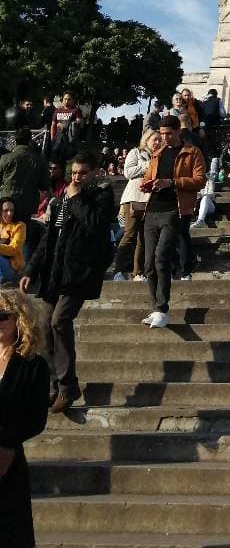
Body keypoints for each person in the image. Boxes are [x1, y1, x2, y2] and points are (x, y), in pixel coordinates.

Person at [20, 153, 114, 413]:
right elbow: (49, 238)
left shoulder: (101, 196)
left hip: (80, 274)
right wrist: (31, 269)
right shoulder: (61, 199)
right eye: (73, 172)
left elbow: (95, 225)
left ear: (95, 172)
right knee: (45, 326)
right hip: (55, 272)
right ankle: (55, 386)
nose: (76, 177)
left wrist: (76, 198)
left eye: (83, 173)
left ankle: (68, 386)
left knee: (59, 320)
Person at [139, 116, 206, 328]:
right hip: (152, 210)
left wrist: (172, 182)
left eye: (169, 133)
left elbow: (200, 180)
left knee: (161, 257)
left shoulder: (192, 152)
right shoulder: (157, 154)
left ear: (178, 132)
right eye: (162, 134)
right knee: (148, 263)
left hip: (174, 210)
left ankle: (162, 308)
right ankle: (155, 307)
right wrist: (147, 185)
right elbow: (147, 177)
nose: (165, 138)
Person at [0, 288, 50, 548]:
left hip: (6, 461)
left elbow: (36, 419)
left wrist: (7, 443)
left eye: (1, 316)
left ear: (19, 320)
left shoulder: (33, 365)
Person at [108, 128, 157, 280]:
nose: (158, 142)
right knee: (129, 234)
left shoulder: (160, 155)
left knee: (143, 238)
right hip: (134, 198)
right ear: (146, 140)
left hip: (150, 200)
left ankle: (138, 272)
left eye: (159, 140)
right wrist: (148, 165)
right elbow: (128, 172)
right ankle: (117, 270)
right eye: (155, 139)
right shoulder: (136, 153)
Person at [0, 129, 49, 225]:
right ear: (30, 141)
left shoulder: (5, 158)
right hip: (27, 204)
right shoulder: (40, 161)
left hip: (6, 201)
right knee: (22, 233)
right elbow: (44, 185)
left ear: (15, 141)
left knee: (4, 231)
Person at [50, 92, 82, 163]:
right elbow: (53, 125)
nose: (67, 101)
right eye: (65, 99)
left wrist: (65, 126)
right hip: (57, 140)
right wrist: (52, 139)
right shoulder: (57, 110)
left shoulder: (76, 110)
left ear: (73, 100)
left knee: (66, 161)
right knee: (55, 162)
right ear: (62, 99)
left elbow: (78, 123)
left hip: (69, 141)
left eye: (69, 99)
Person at [0, 199, 26, 283]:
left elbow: (14, 249)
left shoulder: (20, 226)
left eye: (12, 210)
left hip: (13, 267)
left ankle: (3, 281)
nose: (9, 213)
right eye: (6, 210)